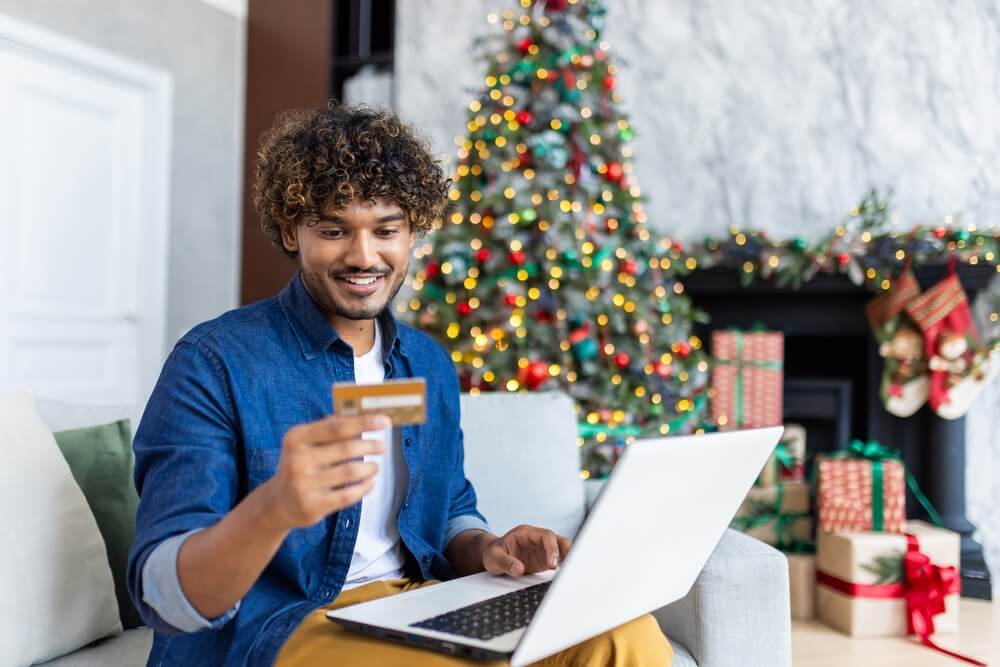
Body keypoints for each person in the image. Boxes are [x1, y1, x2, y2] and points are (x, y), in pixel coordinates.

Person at [126, 102, 672, 666]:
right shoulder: (215, 361)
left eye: (386, 230)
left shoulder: (426, 363)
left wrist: (489, 550)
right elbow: (165, 598)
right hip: (283, 625)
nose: (364, 256)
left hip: (414, 603)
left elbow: (452, 506)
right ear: (293, 231)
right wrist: (275, 509)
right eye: (334, 230)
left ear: (412, 231)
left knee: (625, 636)